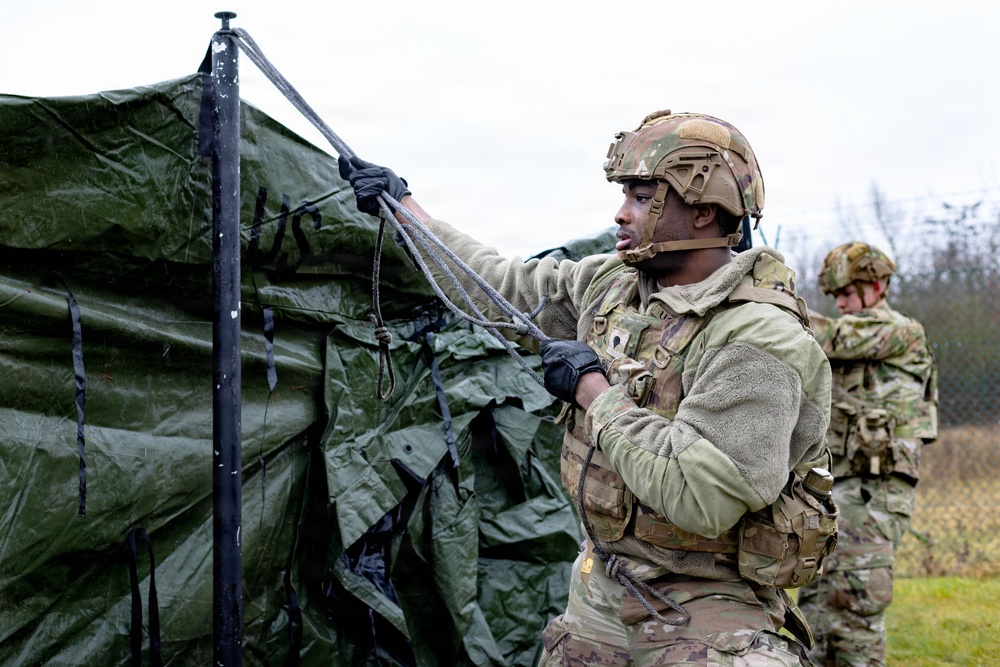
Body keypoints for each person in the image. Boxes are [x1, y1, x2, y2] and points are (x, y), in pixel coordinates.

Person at [339, 109, 835, 666]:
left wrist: (594, 392)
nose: (620, 214)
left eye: (644, 199)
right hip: (603, 584)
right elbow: (498, 287)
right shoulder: (612, 286)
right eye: (626, 194)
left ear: (703, 212)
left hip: (711, 605)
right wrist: (406, 212)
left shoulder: (757, 338)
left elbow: (701, 496)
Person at [797, 242, 939, 667]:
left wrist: (774, 301)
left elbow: (832, 337)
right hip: (839, 487)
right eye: (835, 295)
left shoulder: (898, 331)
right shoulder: (853, 336)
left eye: (846, 292)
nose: (839, 303)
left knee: (854, 603)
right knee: (819, 607)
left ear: (875, 285)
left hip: (876, 492)